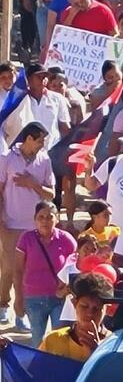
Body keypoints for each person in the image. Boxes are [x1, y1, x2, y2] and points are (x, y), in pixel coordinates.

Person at [0, 122, 55, 328]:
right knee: (8, 268)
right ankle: (3, 304)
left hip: (34, 227)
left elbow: (51, 194)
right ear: (29, 139)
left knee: (25, 271)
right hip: (10, 224)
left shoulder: (45, 160)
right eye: (40, 140)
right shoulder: (7, 158)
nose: (42, 144)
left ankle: (21, 312)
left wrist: (33, 184)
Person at [14, 201, 76, 346]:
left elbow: (76, 267)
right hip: (33, 299)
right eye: (40, 217)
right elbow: (17, 270)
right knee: (38, 341)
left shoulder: (66, 239)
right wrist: (18, 298)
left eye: (49, 217)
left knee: (59, 341)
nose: (45, 221)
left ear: (57, 218)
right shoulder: (26, 239)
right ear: (35, 219)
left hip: (59, 298)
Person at [39, 272, 113, 362]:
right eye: (84, 306)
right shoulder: (53, 340)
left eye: (96, 308)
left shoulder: (112, 344)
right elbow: (36, 369)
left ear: (107, 309)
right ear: (74, 303)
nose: (90, 313)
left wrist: (97, 353)